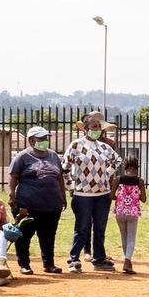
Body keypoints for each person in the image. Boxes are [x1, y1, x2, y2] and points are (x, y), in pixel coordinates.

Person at [63, 111, 120, 272]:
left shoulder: (105, 147)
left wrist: (105, 174)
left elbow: (117, 160)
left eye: (98, 128)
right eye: (93, 127)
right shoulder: (76, 145)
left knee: (100, 228)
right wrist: (70, 187)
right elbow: (65, 167)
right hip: (83, 194)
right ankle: (74, 259)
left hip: (102, 194)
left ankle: (99, 259)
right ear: (85, 129)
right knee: (82, 227)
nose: (96, 130)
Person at [9, 125, 66, 274]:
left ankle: (49, 264)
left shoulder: (53, 156)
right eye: (41, 138)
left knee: (48, 236)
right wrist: (12, 196)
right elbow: (13, 177)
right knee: (24, 235)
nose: (44, 141)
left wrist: (63, 196)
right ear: (31, 140)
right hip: (28, 204)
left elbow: (59, 177)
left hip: (52, 205)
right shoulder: (22, 157)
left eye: (45, 138)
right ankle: (24, 264)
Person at [112, 153, 145, 274]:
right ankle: (127, 261)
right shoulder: (139, 181)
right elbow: (144, 199)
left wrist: (121, 197)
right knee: (131, 237)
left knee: (124, 236)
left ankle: (128, 261)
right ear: (136, 167)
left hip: (120, 211)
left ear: (125, 167)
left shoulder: (118, 179)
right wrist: (135, 196)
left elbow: (111, 196)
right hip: (133, 211)